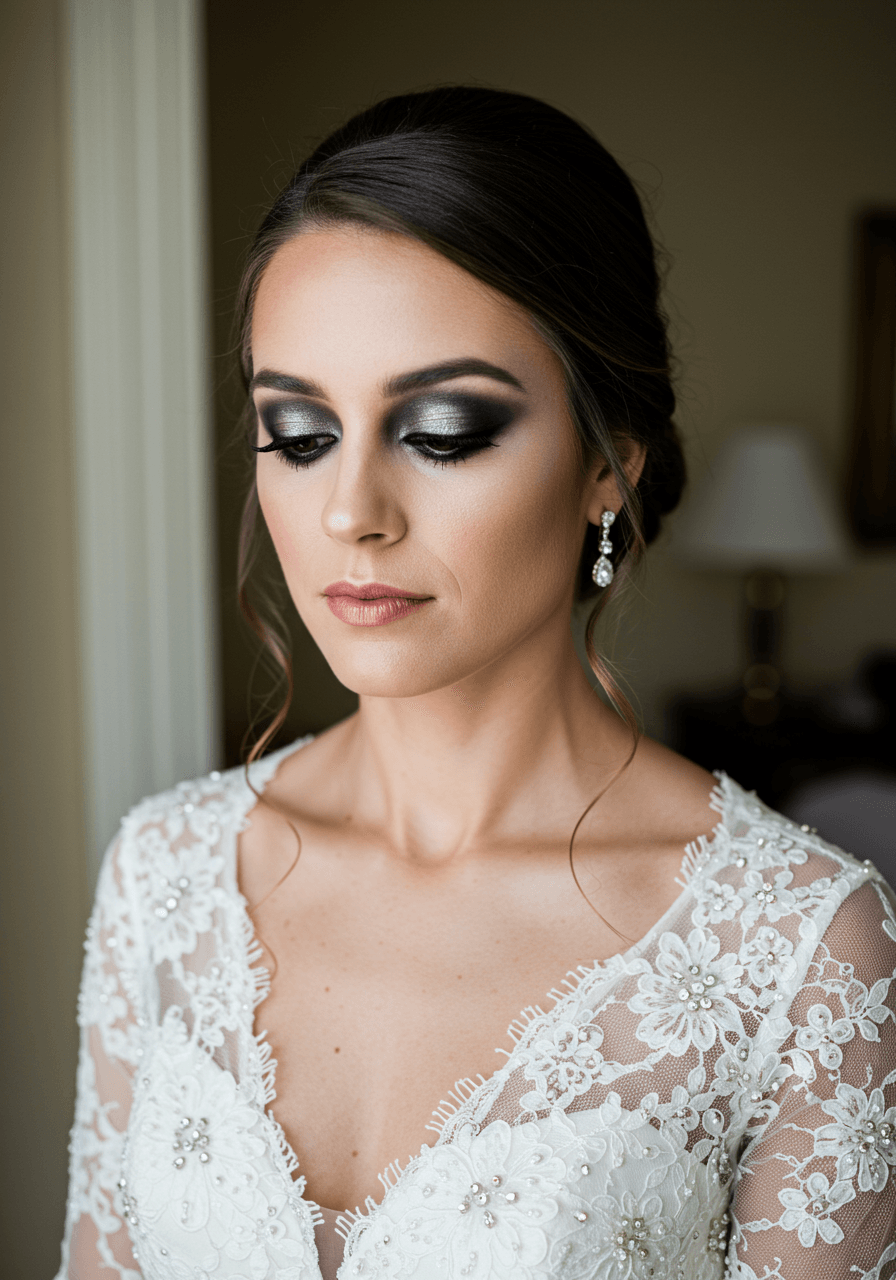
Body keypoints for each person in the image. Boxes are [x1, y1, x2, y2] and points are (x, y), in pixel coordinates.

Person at [56, 87, 896, 1280]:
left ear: (607, 464)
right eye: (296, 432)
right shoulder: (164, 873)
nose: (350, 511)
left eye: (442, 429)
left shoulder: (800, 950)